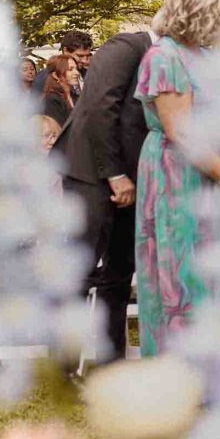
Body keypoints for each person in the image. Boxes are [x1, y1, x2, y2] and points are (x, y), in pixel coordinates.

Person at [134, 0, 220, 356]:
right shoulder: (164, 57)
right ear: (202, 12)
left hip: (208, 174)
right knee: (181, 273)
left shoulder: (202, 55)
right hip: (178, 178)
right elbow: (182, 132)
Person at [54, 27, 155, 360]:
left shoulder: (172, 58)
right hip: (89, 172)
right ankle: (65, 365)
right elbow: (100, 107)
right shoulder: (128, 44)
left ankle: (111, 361)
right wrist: (115, 174)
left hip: (130, 175)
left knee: (120, 270)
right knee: (79, 271)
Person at [34, 30, 93, 94]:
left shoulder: (90, 75)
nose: (85, 61)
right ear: (66, 51)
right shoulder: (43, 79)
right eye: (80, 56)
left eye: (87, 55)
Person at [41, 54, 80, 126]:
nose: (77, 73)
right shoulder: (52, 100)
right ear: (55, 75)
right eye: (70, 69)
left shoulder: (75, 96)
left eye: (76, 69)